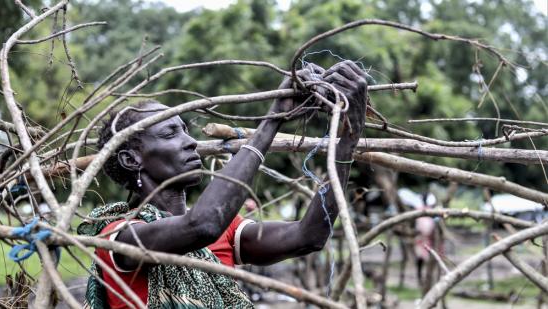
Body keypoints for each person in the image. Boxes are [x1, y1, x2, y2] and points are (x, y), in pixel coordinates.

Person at [78, 61, 369, 308]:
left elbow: (309, 237)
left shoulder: (227, 230)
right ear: (132, 160)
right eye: (169, 133)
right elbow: (202, 225)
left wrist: (347, 140)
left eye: (185, 130)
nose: (190, 142)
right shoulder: (118, 236)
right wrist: (272, 121)